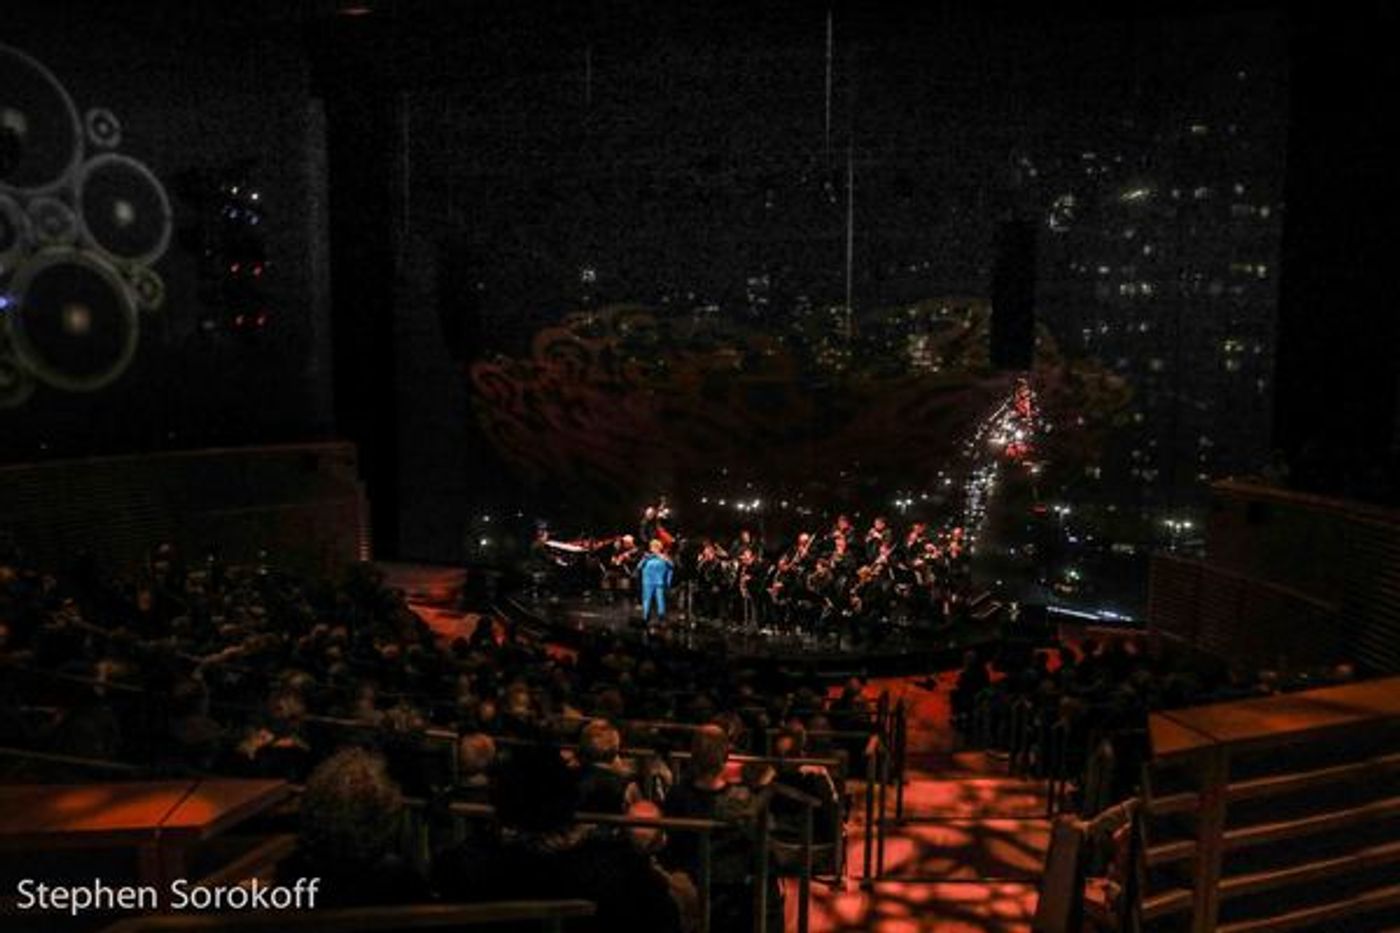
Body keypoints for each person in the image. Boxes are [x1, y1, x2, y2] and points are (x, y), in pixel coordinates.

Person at [636, 539, 674, 627]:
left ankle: (661, 617)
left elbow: (671, 565)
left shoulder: (664, 557)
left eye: (655, 547)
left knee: (660, 599)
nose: (653, 549)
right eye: (652, 547)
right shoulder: (647, 557)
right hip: (647, 582)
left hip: (659, 582)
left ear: (659, 548)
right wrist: (645, 559)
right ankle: (645, 617)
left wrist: (663, 557)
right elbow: (639, 567)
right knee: (646, 600)